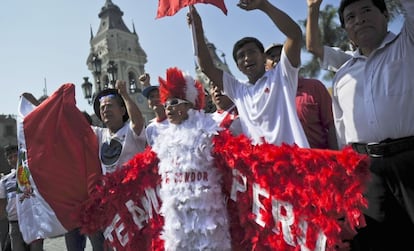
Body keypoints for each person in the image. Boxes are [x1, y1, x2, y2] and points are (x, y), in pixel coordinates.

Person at [308, 0, 414, 250]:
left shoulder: (407, 43)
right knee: (374, 241)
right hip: (364, 172)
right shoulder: (344, 70)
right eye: (351, 17)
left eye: (367, 10)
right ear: (347, 30)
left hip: (409, 162)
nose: (360, 19)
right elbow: (312, 46)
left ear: (386, 15)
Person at [188, 0, 309, 148]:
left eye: (251, 52)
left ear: (264, 57)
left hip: (294, 162)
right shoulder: (239, 91)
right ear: (238, 67)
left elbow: (295, 35)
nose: (247, 58)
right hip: (260, 168)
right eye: (240, 56)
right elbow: (206, 66)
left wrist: (264, 5)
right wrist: (198, 30)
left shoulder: (282, 75)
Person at [151, 67, 231, 250]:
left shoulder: (209, 130)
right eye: (166, 104)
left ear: (188, 105)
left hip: (207, 218)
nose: (168, 108)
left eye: (173, 103)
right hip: (177, 219)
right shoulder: (163, 138)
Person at [265, 43, 338, 149]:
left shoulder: (314, 87)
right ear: (266, 66)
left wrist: (335, 159)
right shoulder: (264, 96)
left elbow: (332, 125)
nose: (277, 58)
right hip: (281, 162)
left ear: (296, 60)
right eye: (272, 57)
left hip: (317, 160)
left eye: (282, 54)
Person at [92, 80, 146, 174]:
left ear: (122, 111)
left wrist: (124, 95)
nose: (105, 110)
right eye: (102, 108)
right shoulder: (99, 134)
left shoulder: (131, 130)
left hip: (132, 187)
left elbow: (138, 122)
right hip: (109, 188)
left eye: (109, 106)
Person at [0, 145, 44, 251]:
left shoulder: (31, 174)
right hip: (15, 222)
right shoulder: (5, 181)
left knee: (36, 248)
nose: (13, 159)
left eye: (16, 156)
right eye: (10, 157)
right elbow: (2, 202)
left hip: (32, 220)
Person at [139, 73, 168, 147]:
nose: (155, 99)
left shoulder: (174, 121)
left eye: (158, 96)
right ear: (149, 103)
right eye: (151, 97)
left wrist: (147, 84)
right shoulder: (149, 129)